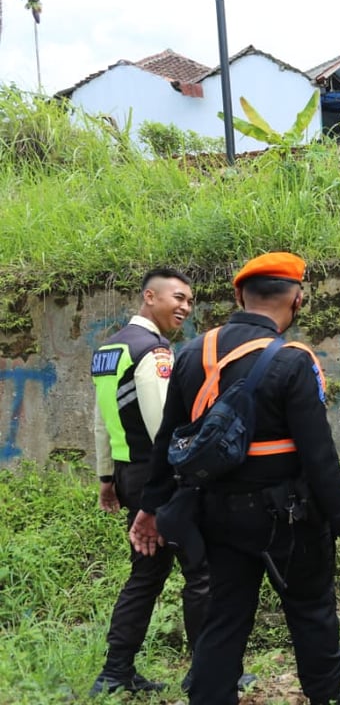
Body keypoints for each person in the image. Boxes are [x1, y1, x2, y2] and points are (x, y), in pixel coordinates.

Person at [129, 252, 340, 705]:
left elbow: (167, 442)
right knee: (311, 611)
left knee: (224, 616)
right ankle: (328, 696)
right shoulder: (295, 360)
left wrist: (150, 507)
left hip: (217, 514)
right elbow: (319, 456)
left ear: (239, 295)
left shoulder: (192, 352)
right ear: (297, 301)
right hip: (291, 519)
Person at [89, 268, 208, 696]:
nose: (184, 307)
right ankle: (206, 672)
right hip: (159, 479)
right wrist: (174, 489)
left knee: (147, 572)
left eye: (190, 301)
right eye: (177, 297)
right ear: (149, 297)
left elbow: (103, 421)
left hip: (128, 474)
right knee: (201, 571)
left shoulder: (109, 349)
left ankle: (116, 671)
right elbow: (167, 430)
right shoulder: (153, 352)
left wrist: (107, 479)